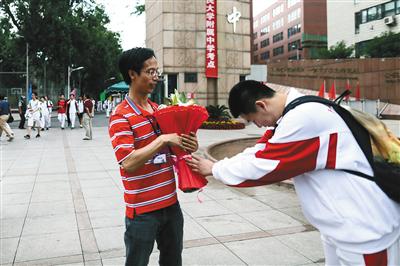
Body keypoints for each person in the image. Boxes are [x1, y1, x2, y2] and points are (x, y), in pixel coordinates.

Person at [187, 80, 400, 266]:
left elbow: (266, 166)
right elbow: (259, 150)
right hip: (342, 226)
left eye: (253, 120)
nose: (259, 125)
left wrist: (215, 168)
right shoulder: (297, 110)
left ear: (261, 105)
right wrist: (220, 165)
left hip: (363, 230)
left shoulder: (303, 118)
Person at [109, 47, 199, 266]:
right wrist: (162, 139)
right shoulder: (121, 116)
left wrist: (190, 144)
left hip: (171, 205)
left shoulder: (160, 110)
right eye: (150, 72)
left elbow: (176, 150)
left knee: (172, 261)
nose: (155, 77)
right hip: (142, 212)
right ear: (133, 74)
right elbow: (128, 162)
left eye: (157, 72)